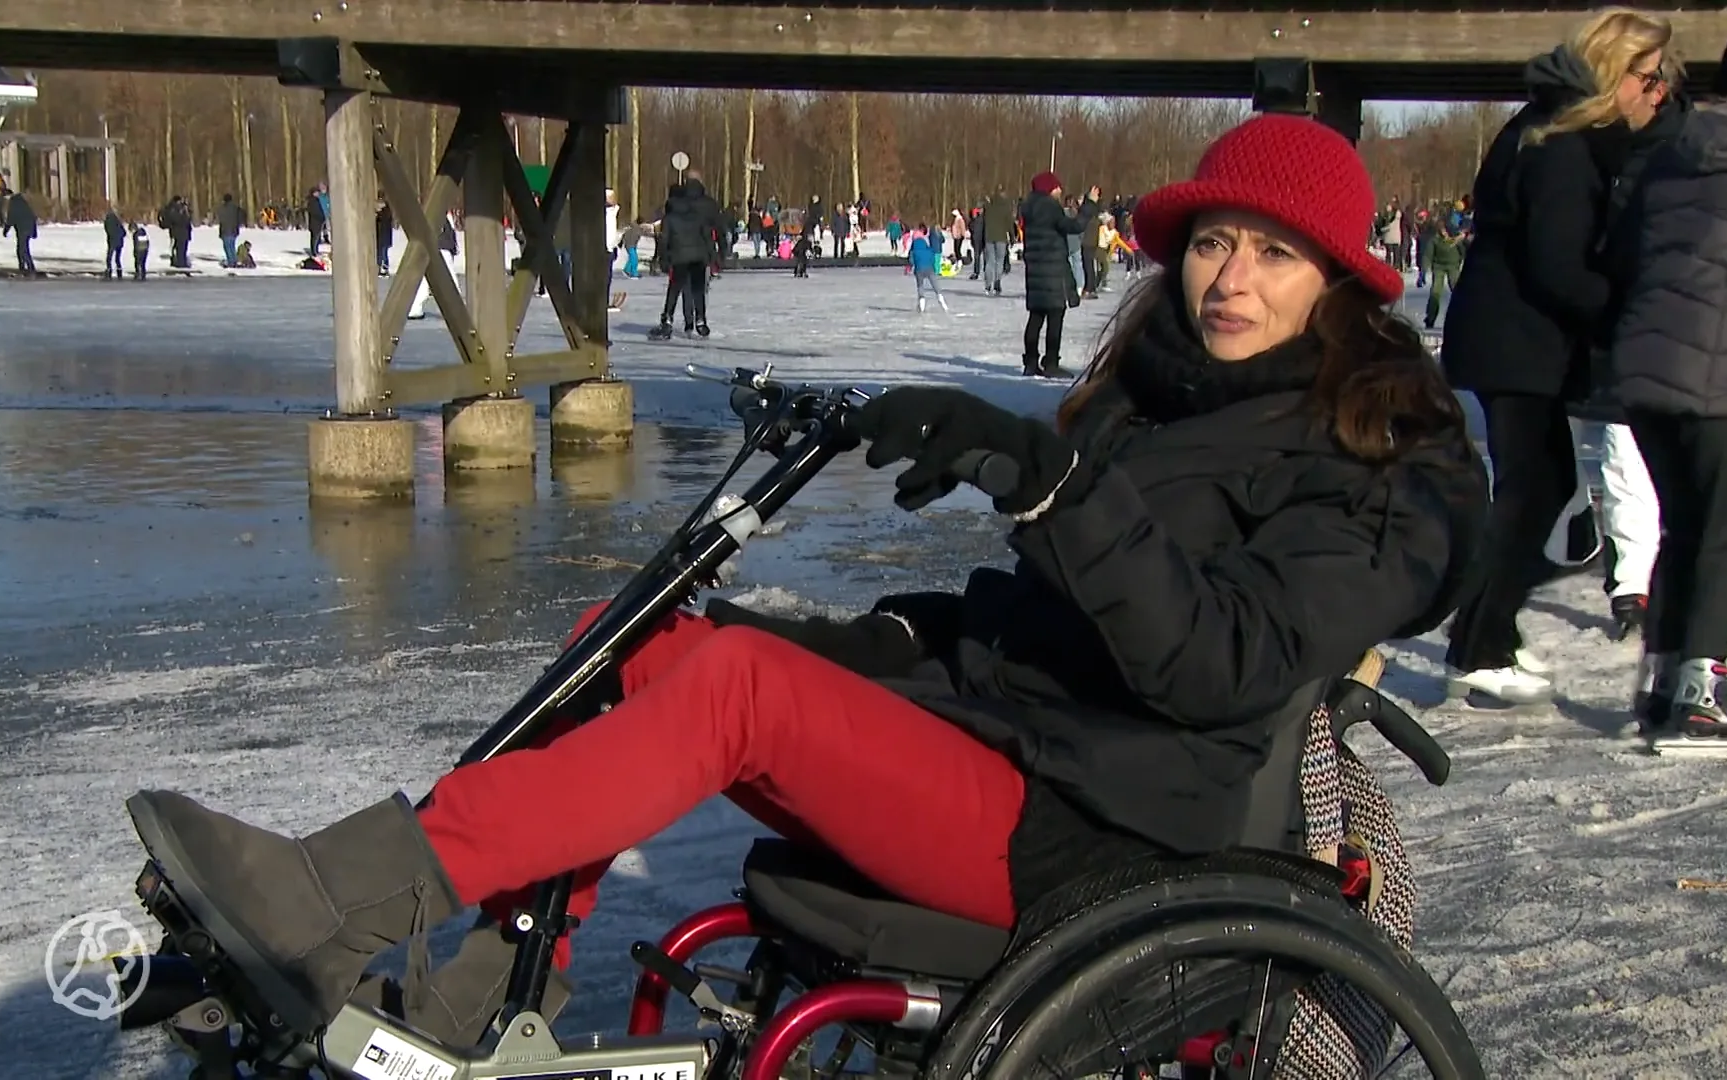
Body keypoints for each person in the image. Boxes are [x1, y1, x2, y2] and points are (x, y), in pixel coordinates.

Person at [123, 113, 1486, 1050]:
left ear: (1345, 283)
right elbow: (1051, 630)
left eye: (1272, 253)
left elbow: (1218, 663)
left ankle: (331, 896)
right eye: (1210, 243)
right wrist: (894, 635)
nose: (1228, 278)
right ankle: (476, 980)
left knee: (735, 692)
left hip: (1116, 838)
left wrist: (1056, 488)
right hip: (1023, 750)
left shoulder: (1380, 462)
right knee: (645, 639)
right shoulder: (1160, 398)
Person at [1438, 7, 1676, 705]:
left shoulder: (1557, 127)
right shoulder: (1563, 144)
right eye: (1649, 77)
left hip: (1517, 338)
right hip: (1517, 341)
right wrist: (1627, 311)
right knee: (1534, 493)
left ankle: (1492, 634)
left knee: (1538, 490)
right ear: (1612, 73)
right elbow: (1559, 264)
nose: (1658, 90)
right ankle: (1476, 643)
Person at [1609, 14, 1727, 734]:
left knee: (1684, 527)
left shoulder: (1669, 147)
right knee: (1724, 528)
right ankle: (1701, 690)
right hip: (1718, 374)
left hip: (1647, 371)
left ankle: (1662, 681)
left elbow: (1621, 249)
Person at [1019, 173, 1096, 377]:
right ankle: (1051, 363)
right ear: (1049, 189)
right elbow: (1074, 226)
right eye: (1057, 187)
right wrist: (1089, 204)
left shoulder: (1029, 208)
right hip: (1053, 270)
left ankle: (1031, 361)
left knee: (1035, 317)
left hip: (1035, 270)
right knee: (1055, 317)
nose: (1060, 191)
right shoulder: (1050, 207)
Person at [648, 171, 721, 340]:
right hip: (698, 257)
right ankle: (701, 321)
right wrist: (712, 255)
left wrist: (662, 258)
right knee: (698, 290)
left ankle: (667, 320)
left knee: (674, 289)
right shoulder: (697, 216)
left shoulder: (670, 218)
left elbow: (664, 239)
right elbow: (707, 236)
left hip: (679, 258)